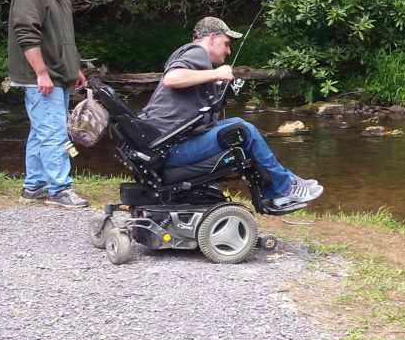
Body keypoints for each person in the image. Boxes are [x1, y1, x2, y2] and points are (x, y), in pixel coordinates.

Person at [138, 17, 323, 208]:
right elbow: (172, 78)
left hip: (164, 145)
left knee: (236, 123)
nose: (228, 50)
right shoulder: (197, 52)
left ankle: (287, 181)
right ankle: (284, 189)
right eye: (226, 44)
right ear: (212, 37)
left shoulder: (188, 56)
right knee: (244, 130)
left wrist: (213, 82)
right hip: (172, 148)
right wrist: (215, 74)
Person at [7, 0, 88, 209]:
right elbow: (26, 34)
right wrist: (41, 73)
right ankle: (59, 190)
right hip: (43, 78)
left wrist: (72, 67)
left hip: (57, 74)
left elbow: (61, 38)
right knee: (55, 134)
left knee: (41, 132)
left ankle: (33, 187)